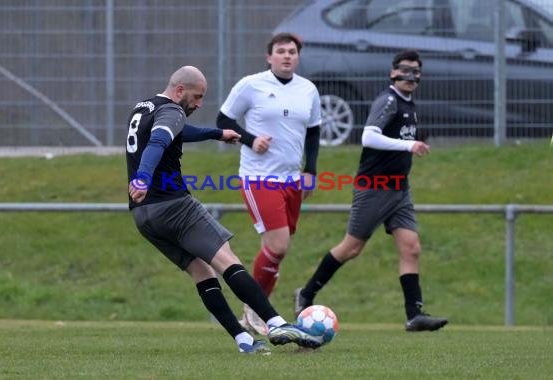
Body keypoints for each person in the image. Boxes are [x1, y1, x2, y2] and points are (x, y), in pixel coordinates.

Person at [126, 65, 323, 354]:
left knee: (201, 271)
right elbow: (160, 140)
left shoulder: (143, 108)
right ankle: (276, 322)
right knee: (227, 260)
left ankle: (244, 341)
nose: (199, 104)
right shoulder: (173, 110)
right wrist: (142, 177)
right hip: (174, 205)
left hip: (144, 215)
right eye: (196, 97)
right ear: (180, 90)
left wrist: (217, 134)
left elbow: (176, 133)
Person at [294, 51, 448, 332]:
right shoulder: (388, 100)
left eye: (416, 72)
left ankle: (414, 315)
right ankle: (306, 293)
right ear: (393, 73)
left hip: (400, 189)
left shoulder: (410, 105)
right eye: (405, 70)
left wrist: (412, 144)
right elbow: (369, 136)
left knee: (411, 248)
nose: (410, 76)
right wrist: (409, 146)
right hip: (375, 187)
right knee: (351, 248)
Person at [217, 33, 322, 336]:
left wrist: (310, 170)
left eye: (292, 51)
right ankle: (257, 310)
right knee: (278, 245)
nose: (287, 56)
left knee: (276, 251)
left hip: (292, 179)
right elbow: (222, 120)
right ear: (269, 57)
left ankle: (251, 313)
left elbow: (313, 132)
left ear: (298, 57)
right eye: (281, 51)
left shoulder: (308, 90)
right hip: (258, 177)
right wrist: (250, 140)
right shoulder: (252, 85)